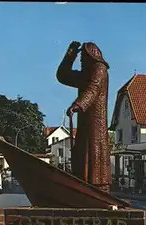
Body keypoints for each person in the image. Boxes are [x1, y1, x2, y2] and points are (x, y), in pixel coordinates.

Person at [57, 41, 111, 193]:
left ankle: (99, 186)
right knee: (82, 149)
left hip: (95, 121)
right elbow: (63, 76)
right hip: (85, 120)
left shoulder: (99, 70)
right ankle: (83, 182)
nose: (81, 62)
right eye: (79, 60)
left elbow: (93, 89)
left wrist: (78, 105)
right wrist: (70, 54)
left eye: (82, 59)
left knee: (95, 148)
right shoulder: (85, 74)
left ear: (91, 57)